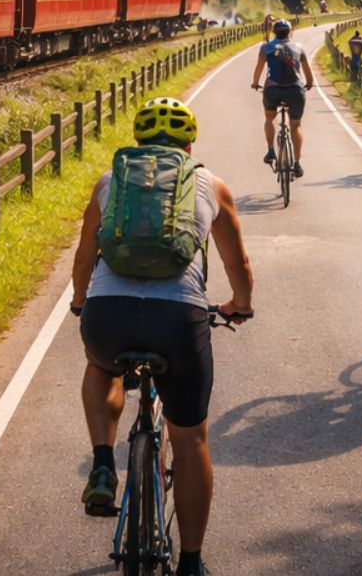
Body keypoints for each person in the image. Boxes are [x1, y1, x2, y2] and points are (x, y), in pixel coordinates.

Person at [72, 97, 255, 576]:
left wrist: (79, 302)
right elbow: (239, 265)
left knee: (101, 367)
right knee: (190, 438)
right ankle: (191, 563)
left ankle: (103, 463)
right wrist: (240, 305)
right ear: (189, 143)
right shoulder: (211, 184)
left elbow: (84, 255)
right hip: (180, 320)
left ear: (137, 142)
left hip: (108, 314)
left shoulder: (110, 181)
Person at [250, 19, 314, 177]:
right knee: (296, 125)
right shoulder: (299, 48)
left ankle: (271, 150)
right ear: (290, 32)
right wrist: (309, 84)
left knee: (269, 118)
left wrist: (255, 83)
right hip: (295, 91)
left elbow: (258, 69)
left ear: (274, 33)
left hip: (273, 90)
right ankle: (297, 164)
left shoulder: (266, 48)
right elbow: (308, 73)